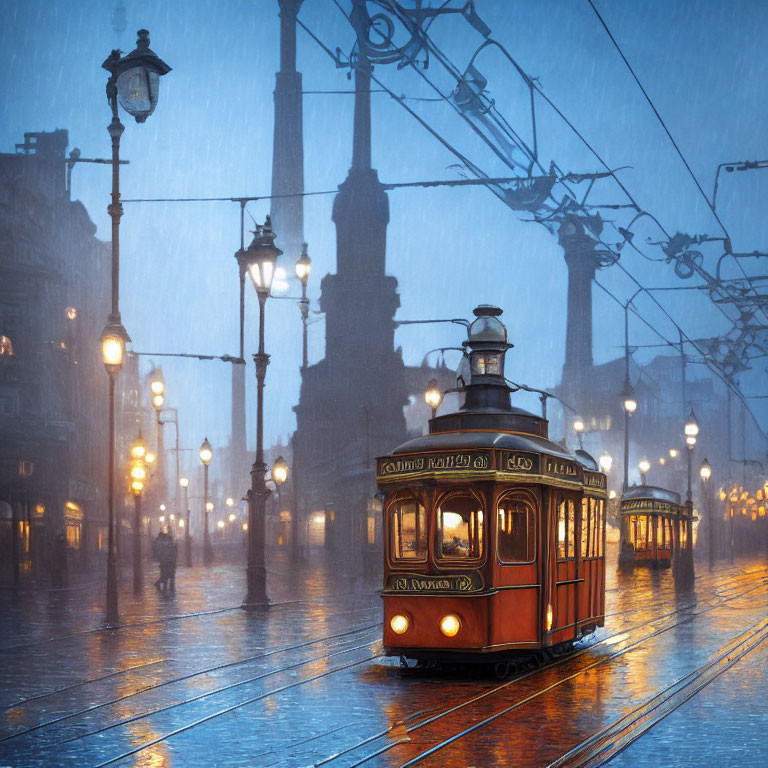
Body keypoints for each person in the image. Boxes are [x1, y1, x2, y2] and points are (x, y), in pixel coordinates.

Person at [152, 529, 177, 593]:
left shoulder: (165, 544)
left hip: (166, 562)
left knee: (166, 575)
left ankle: (166, 587)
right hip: (168, 562)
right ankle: (168, 587)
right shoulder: (170, 545)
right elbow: (173, 554)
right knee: (169, 575)